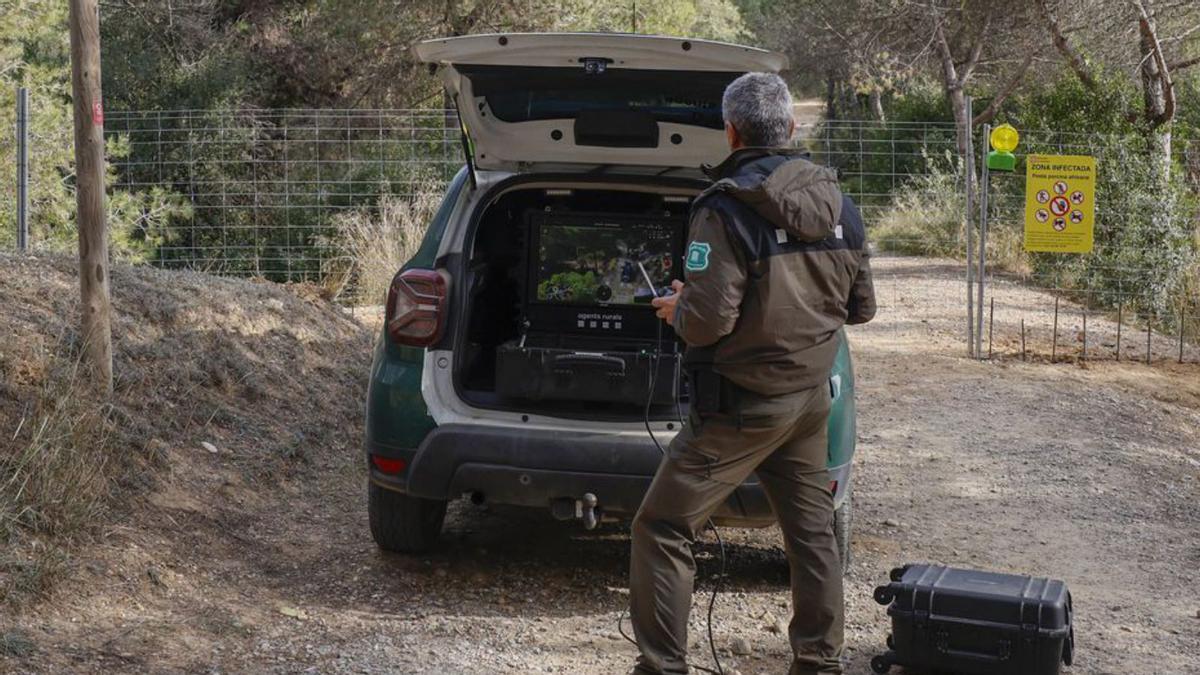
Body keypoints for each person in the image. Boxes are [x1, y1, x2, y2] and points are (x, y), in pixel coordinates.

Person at [628, 72, 877, 675]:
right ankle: (819, 662)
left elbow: (708, 323)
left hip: (742, 404)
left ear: (731, 132)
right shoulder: (841, 205)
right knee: (812, 533)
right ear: (790, 127)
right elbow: (860, 308)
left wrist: (680, 307)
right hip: (808, 400)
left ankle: (662, 667)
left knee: (662, 527)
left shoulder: (725, 208)